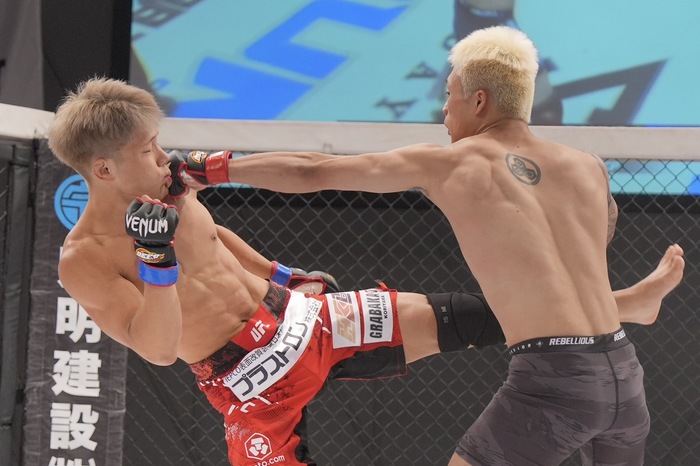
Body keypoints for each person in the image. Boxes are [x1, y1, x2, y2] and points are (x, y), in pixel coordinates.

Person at [48, 77, 682, 466]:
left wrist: (280, 273)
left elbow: (215, 239)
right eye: (148, 151)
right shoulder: (86, 260)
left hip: (301, 319)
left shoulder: (167, 191)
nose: (165, 158)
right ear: (103, 170)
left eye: (159, 143)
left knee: (457, 315)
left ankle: (622, 304)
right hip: (248, 381)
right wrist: (156, 263)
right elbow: (157, 348)